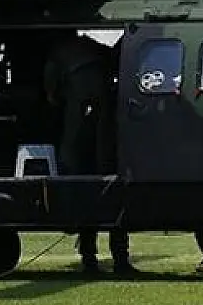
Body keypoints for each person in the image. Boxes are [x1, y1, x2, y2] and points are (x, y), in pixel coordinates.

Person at [44, 31, 135, 275]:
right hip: (103, 160)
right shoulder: (93, 51)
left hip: (84, 165)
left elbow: (51, 94)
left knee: (86, 201)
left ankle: (91, 257)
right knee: (111, 201)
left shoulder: (61, 56)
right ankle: (118, 259)